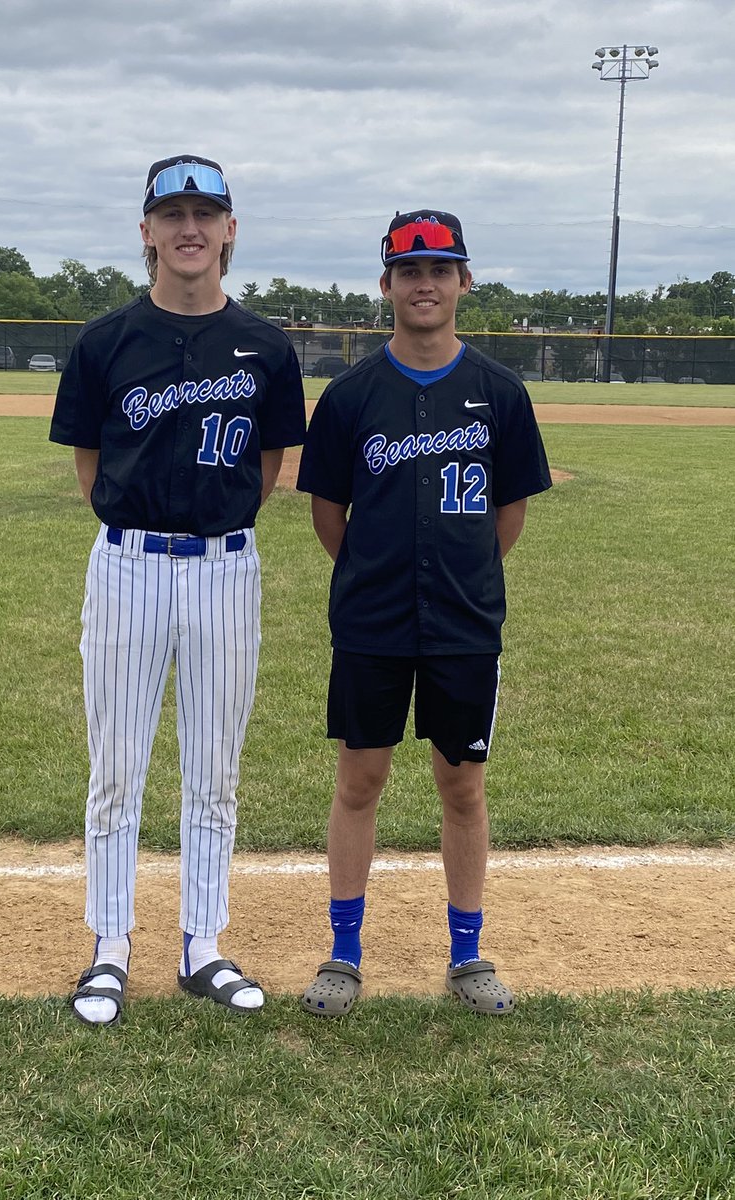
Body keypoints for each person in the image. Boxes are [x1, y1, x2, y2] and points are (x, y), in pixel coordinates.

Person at [50, 155, 306, 1025]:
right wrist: (138, 531)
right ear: (147, 231)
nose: (188, 228)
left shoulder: (269, 346)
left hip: (226, 568)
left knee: (214, 772)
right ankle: (110, 946)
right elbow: (91, 467)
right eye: (172, 214)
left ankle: (204, 943)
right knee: (116, 770)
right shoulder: (104, 341)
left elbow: (268, 467)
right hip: (125, 565)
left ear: (230, 230)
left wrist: (209, 530)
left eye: (206, 212)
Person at [296, 209, 552, 1017]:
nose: (426, 283)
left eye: (441, 268)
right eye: (410, 271)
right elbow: (328, 514)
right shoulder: (351, 396)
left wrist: (456, 579)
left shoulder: (499, 394)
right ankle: (343, 952)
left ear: (465, 282)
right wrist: (380, 575)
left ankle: (468, 953)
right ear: (387, 287)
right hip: (371, 623)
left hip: (464, 625)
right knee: (360, 780)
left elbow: (506, 517)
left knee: (463, 784)